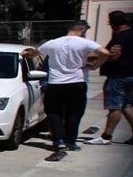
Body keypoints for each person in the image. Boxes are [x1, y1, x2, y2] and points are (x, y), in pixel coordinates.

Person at [22, 20, 110, 152]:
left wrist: (25, 53)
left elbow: (34, 53)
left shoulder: (52, 43)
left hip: (56, 83)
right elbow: (105, 53)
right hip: (77, 83)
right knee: (74, 113)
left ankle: (58, 141)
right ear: (83, 30)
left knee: (53, 113)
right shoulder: (85, 43)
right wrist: (95, 65)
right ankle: (71, 142)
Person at [87, 11, 133, 145]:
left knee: (114, 106)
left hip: (119, 76)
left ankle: (106, 137)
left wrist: (94, 64)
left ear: (113, 22)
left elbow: (112, 55)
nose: (108, 24)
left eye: (109, 21)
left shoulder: (120, 36)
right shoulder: (131, 33)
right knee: (126, 104)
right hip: (131, 75)